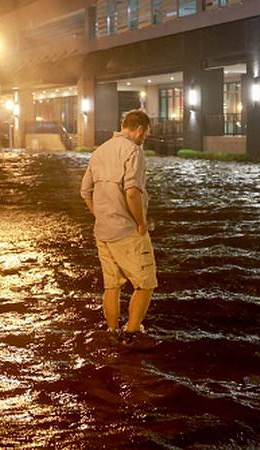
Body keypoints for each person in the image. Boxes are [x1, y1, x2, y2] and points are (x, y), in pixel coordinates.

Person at [80, 110, 157, 347]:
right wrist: (141, 223)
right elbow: (132, 192)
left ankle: (113, 331)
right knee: (145, 283)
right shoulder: (134, 151)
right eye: (146, 134)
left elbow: (84, 191)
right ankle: (132, 334)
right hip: (127, 231)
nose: (145, 138)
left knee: (111, 286)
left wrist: (101, 215)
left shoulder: (99, 151)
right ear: (140, 129)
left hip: (103, 231)